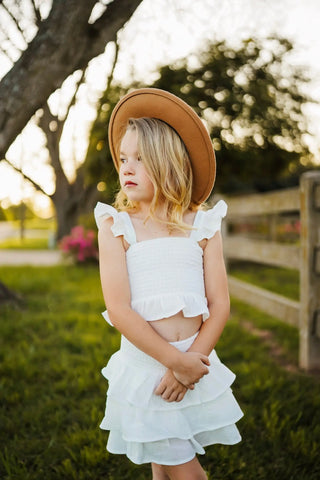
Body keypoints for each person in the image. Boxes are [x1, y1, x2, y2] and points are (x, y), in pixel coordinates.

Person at [94, 88, 243, 480]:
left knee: (166, 465)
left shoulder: (202, 225)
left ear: (169, 163)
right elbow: (120, 310)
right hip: (149, 371)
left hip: (195, 363)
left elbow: (220, 303)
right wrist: (173, 363)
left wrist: (190, 362)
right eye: (123, 158)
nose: (125, 167)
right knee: (186, 471)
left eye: (139, 159)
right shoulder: (117, 227)